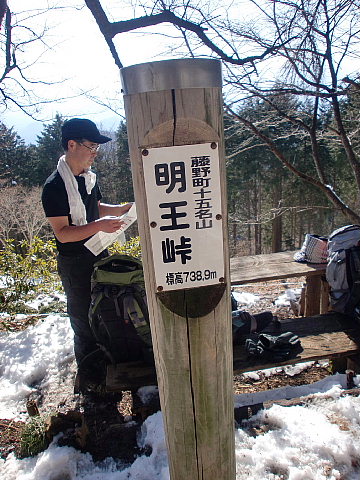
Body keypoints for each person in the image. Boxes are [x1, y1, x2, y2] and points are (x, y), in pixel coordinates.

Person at [42, 118, 132, 389]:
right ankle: (90, 381)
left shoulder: (88, 178)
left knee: (105, 311)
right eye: (91, 145)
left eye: (96, 147)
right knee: (83, 318)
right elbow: (63, 232)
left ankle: (108, 367)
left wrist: (121, 209)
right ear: (72, 144)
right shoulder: (55, 186)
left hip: (98, 252)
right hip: (74, 263)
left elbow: (95, 207)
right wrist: (99, 226)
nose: (95, 152)